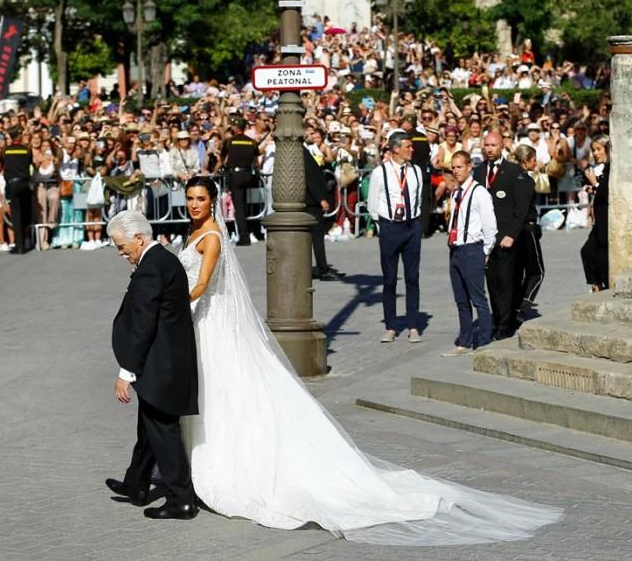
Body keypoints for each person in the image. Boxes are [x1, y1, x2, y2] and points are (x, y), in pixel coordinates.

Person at [174, 176, 561, 544]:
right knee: (217, 389)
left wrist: (170, 305)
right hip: (204, 323)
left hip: (211, 321)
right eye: (190, 199)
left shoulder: (211, 239)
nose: (194, 205)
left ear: (213, 202)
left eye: (201, 199)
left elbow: (203, 285)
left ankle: (226, 464)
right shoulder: (194, 232)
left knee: (224, 388)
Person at [106, 210, 199, 521]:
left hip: (161, 365)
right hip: (167, 361)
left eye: (121, 246)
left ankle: (181, 500)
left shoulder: (152, 268)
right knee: (150, 427)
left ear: (139, 239)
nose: (121, 253)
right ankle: (137, 484)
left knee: (163, 432)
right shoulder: (160, 261)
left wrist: (125, 372)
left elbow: (144, 324)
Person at [473, 131, 531, 340]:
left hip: (506, 237)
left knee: (506, 283)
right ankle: (498, 319)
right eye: (486, 145)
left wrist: (512, 234)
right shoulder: (478, 172)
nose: (489, 149)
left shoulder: (514, 171)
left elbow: (521, 208)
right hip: (485, 238)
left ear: (502, 146)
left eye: (493, 145)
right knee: (492, 283)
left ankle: (504, 326)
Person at [366, 131, 423, 343]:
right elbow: (373, 204)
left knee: (413, 278)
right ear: (396, 148)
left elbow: (418, 199)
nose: (412, 149)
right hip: (390, 228)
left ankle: (413, 325)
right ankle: (390, 326)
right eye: (408, 146)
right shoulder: (381, 172)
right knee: (390, 279)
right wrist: (384, 227)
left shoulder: (415, 171)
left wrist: (414, 222)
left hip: (411, 227)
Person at [442, 152, 498, 356]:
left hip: (473, 248)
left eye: (459, 167)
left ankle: (484, 339)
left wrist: (485, 251)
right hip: (456, 249)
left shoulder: (479, 192)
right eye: (453, 168)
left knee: (478, 298)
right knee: (461, 299)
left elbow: (490, 226)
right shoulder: (455, 194)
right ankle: (464, 340)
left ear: (469, 168)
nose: (455, 171)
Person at [511, 145, 545, 326]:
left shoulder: (512, 176)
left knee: (520, 271)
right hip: (527, 229)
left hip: (517, 231)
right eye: (533, 159)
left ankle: (515, 305)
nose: (535, 162)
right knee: (537, 272)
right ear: (526, 160)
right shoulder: (524, 179)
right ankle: (521, 306)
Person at [304, 146, 344, 280]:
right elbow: (310, 178)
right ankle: (323, 269)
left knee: (314, 236)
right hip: (312, 201)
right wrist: (320, 199)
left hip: (311, 200)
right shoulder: (301, 153)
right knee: (317, 235)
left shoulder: (302, 151)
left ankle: (318, 268)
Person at [221, 119, 259, 246]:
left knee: (240, 208)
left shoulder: (229, 141)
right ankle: (254, 231)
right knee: (252, 206)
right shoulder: (251, 142)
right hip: (248, 175)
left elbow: (222, 159)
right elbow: (256, 160)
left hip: (235, 176)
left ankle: (244, 237)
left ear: (236, 128)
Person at [580, 136, 610, 291]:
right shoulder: (596, 168)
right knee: (587, 251)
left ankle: (605, 285)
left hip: (607, 219)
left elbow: (608, 192)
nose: (596, 153)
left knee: (601, 255)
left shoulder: (610, 168)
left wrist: (595, 183)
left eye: (599, 149)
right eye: (594, 150)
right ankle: (597, 284)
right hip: (599, 218)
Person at [2, 127, 33, 254]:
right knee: (25, 214)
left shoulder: (6, 150)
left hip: (13, 184)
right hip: (25, 184)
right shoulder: (26, 149)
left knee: (16, 216)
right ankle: (26, 241)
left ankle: (19, 245)